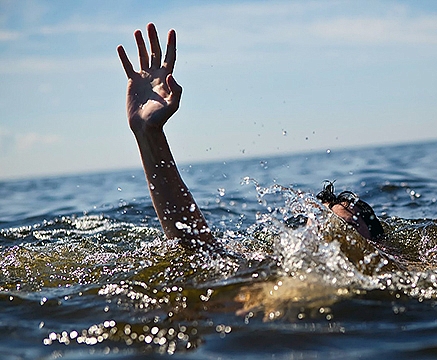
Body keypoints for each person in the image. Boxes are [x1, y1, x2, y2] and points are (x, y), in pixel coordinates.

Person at [117, 23, 384, 252]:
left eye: (345, 226)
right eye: (322, 226)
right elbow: (198, 249)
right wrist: (148, 135)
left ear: (378, 245)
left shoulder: (397, 274)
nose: (329, 236)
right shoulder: (275, 271)